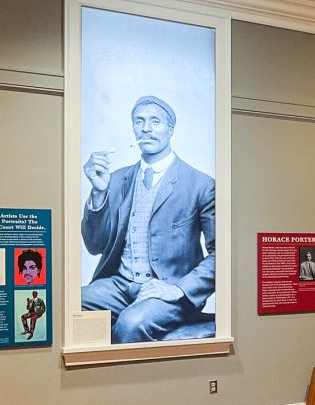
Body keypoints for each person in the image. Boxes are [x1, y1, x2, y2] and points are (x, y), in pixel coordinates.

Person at [80, 96, 215, 343]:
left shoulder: (201, 185)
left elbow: (221, 255)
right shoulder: (116, 180)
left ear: (170, 129)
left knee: (130, 324)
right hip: (120, 285)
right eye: (139, 121)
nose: (146, 129)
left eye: (155, 121)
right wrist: (99, 192)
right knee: (68, 304)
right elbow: (94, 245)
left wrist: (177, 289)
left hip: (167, 291)